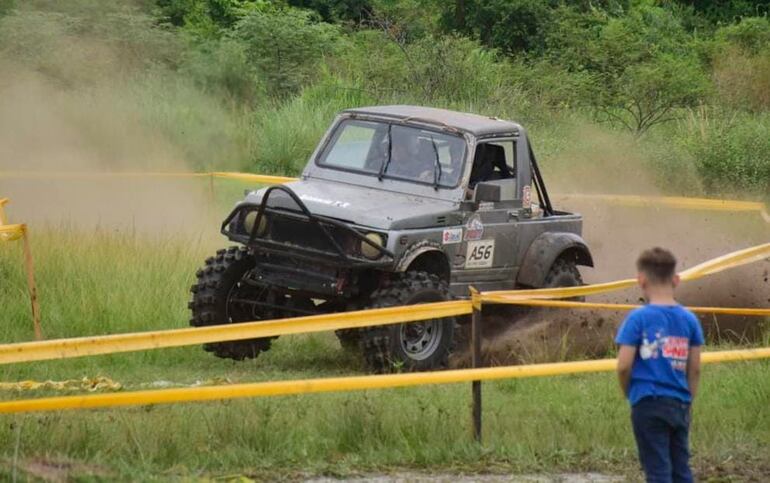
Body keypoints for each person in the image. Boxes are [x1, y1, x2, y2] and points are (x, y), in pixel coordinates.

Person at [615, 247, 704, 483]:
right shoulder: (689, 319)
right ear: (676, 279)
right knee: (681, 470)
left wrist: (628, 392)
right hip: (680, 403)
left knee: (657, 471)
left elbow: (624, 365)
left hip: (647, 402)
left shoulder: (637, 319)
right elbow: (694, 368)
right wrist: (688, 399)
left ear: (641, 280)